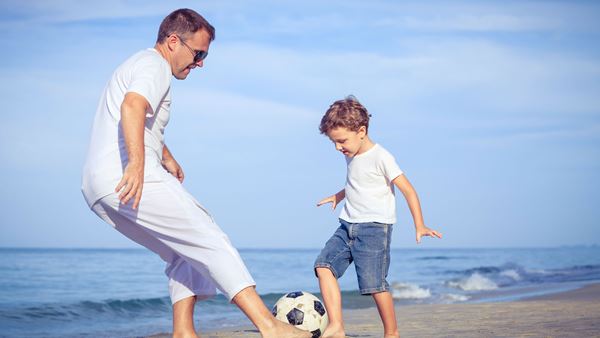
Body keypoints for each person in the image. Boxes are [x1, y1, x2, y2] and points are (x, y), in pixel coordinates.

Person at [81, 8, 309, 338]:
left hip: (97, 186)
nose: (200, 62)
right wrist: (137, 163)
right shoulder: (154, 64)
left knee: (182, 251)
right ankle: (270, 326)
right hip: (127, 175)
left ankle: (184, 332)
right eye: (198, 52)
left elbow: (142, 121)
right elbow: (132, 106)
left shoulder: (138, 64)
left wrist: (167, 156)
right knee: (208, 236)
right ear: (173, 41)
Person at [313, 96, 442, 338]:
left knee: (375, 284)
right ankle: (336, 326)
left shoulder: (382, 156)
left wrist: (420, 223)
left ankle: (391, 333)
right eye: (333, 142)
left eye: (341, 141)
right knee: (324, 266)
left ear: (361, 131)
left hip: (374, 228)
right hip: (347, 225)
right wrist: (338, 196)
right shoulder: (350, 155)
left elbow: (408, 189)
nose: (338, 148)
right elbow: (358, 183)